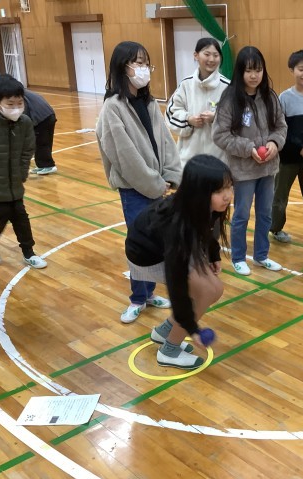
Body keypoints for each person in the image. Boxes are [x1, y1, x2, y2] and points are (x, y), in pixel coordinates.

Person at [96, 41, 182, 323]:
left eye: (146, 63)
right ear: (123, 67)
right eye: (138, 63)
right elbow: (125, 157)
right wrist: (155, 184)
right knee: (139, 242)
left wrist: (171, 175)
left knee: (155, 241)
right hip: (135, 190)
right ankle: (137, 298)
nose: (144, 69)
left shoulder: (149, 102)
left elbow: (165, 142)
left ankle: (149, 293)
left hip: (157, 185)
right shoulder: (113, 108)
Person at [126, 154, 232, 369]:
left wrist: (213, 254)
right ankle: (169, 351)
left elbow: (207, 229)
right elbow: (177, 287)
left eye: (229, 187)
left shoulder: (202, 206)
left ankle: (163, 331)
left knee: (215, 289)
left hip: (168, 247)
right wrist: (193, 329)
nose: (227, 196)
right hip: (147, 256)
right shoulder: (177, 224)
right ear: (199, 192)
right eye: (219, 191)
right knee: (206, 291)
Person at [212, 46, 287, 276]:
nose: (254, 75)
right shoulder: (230, 99)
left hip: (268, 168)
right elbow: (220, 135)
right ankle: (238, 257)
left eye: (258, 70)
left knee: (265, 214)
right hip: (243, 170)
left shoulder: (270, 96)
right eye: (248, 71)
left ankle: (261, 255)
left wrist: (274, 143)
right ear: (240, 72)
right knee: (241, 215)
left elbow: (281, 126)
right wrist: (248, 148)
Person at [0, 74, 47, 269]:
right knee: (1, 213)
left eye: (20, 103)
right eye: (10, 104)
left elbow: (27, 150)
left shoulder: (25, 122)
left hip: (14, 182)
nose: (16, 108)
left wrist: (21, 173)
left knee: (20, 216)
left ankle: (29, 252)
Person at [270, 50, 303, 243]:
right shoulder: (284, 98)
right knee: (280, 196)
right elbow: (281, 129)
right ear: (292, 70)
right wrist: (299, 147)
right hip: (288, 158)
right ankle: (275, 229)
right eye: (301, 69)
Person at [165, 37, 230, 169]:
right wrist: (188, 119)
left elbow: (237, 118)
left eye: (216, 55)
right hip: (189, 158)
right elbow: (171, 113)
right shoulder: (186, 84)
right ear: (196, 55)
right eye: (207, 54)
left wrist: (216, 117)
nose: (211, 59)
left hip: (219, 158)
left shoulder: (228, 87)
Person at [24, 89, 58, 175]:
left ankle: (48, 165)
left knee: (41, 143)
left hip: (42, 118)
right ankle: (42, 165)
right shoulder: (26, 92)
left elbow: (25, 112)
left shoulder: (18, 96)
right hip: (48, 115)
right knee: (40, 142)